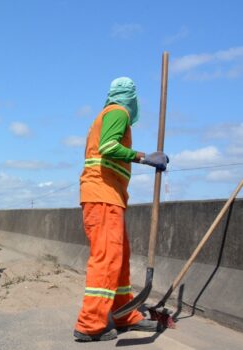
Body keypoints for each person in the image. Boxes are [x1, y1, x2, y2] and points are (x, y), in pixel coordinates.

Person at [74, 77, 169, 342]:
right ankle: (89, 324)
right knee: (106, 260)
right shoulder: (118, 112)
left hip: (109, 196)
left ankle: (123, 313)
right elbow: (108, 147)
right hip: (101, 195)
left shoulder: (110, 114)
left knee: (119, 259)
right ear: (129, 97)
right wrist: (144, 157)